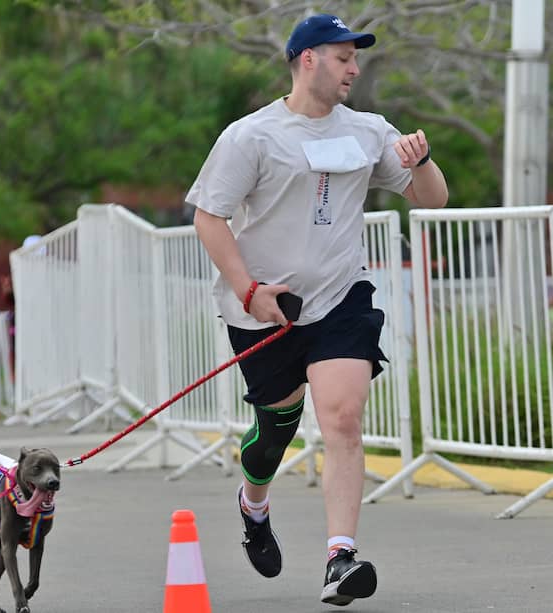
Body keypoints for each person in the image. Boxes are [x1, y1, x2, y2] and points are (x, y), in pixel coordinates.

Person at [186, 14, 448, 607]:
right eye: (343, 57)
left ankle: (340, 557)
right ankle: (253, 505)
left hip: (338, 298)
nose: (355, 68)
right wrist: (251, 290)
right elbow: (209, 217)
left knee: (342, 416)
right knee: (272, 436)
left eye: (356, 58)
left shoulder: (370, 130)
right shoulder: (250, 136)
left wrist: (423, 160)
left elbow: (431, 200)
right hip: (263, 308)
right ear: (308, 59)